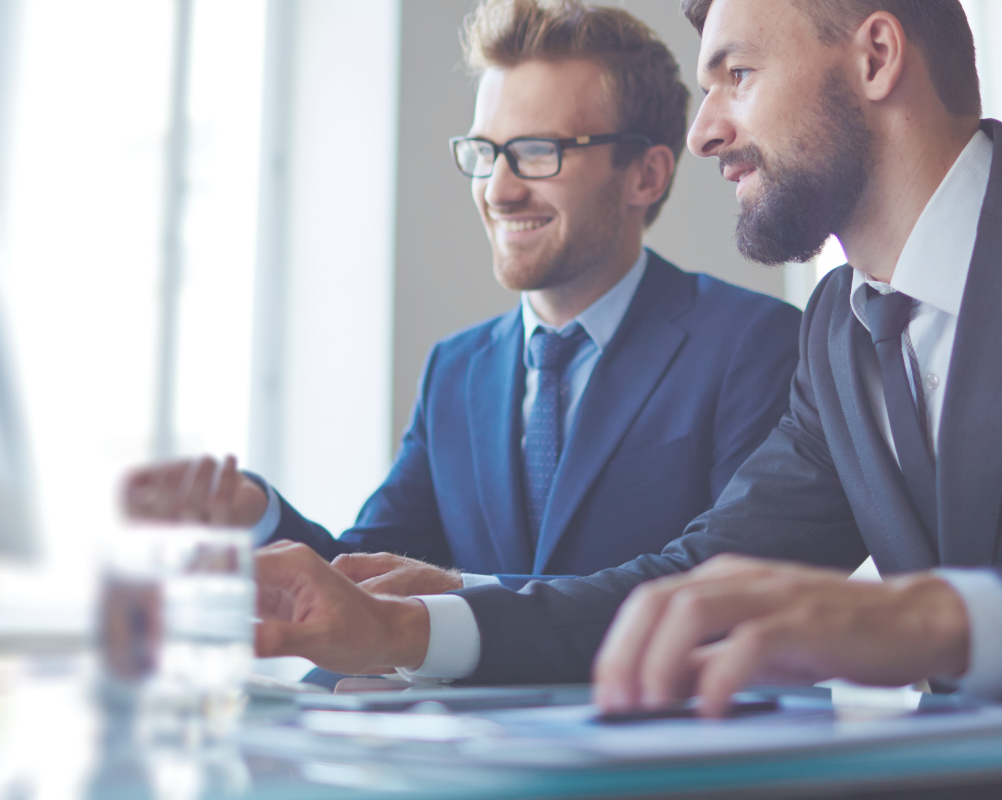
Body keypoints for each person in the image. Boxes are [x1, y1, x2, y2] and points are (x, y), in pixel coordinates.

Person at [244, 0, 1002, 716]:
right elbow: (696, 583)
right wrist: (408, 629)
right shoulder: (839, 329)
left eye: (738, 76)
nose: (703, 131)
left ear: (875, 57)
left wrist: (935, 622)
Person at [124, 2, 799, 597]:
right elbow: (367, 579)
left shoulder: (753, 346)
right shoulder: (456, 370)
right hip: (474, 744)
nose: (498, 190)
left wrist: (459, 598)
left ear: (646, 175)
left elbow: (727, 594)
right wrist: (258, 514)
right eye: (484, 151)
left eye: (537, 152)